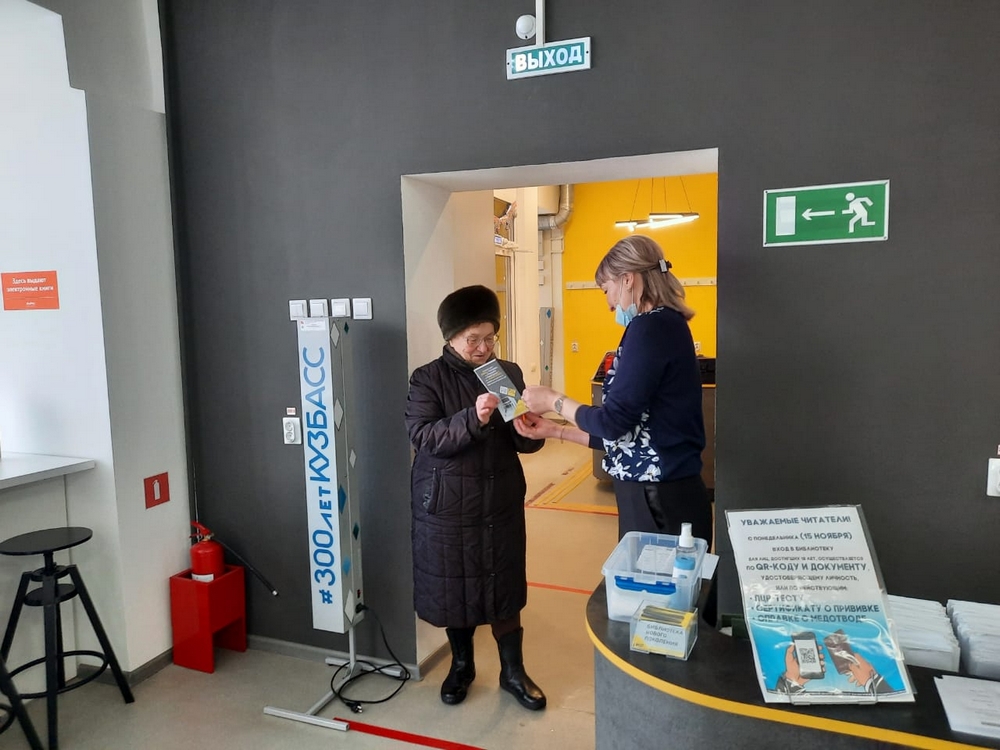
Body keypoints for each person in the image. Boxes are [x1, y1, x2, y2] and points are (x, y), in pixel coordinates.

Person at [516, 234, 712, 547]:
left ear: (628, 279)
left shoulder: (650, 328)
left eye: (606, 290)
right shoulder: (667, 325)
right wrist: (556, 431)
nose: (609, 304)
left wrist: (554, 400)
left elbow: (612, 422)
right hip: (664, 494)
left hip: (657, 499)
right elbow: (632, 433)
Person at [405, 284, 547, 711]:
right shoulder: (427, 378)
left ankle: (513, 672)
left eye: (490, 337)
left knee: (504, 584)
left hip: (498, 501)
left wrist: (532, 428)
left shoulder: (506, 374)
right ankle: (462, 666)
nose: (484, 348)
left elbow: (524, 443)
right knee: (457, 588)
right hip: (448, 506)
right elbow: (424, 436)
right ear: (451, 337)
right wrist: (474, 417)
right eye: (473, 339)